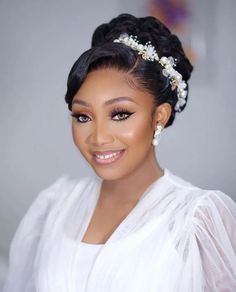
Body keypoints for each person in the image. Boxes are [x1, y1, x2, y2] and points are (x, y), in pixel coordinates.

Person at [3, 13, 236, 292]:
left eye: (120, 114)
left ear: (159, 116)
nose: (99, 137)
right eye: (83, 116)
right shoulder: (56, 204)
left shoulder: (198, 219)